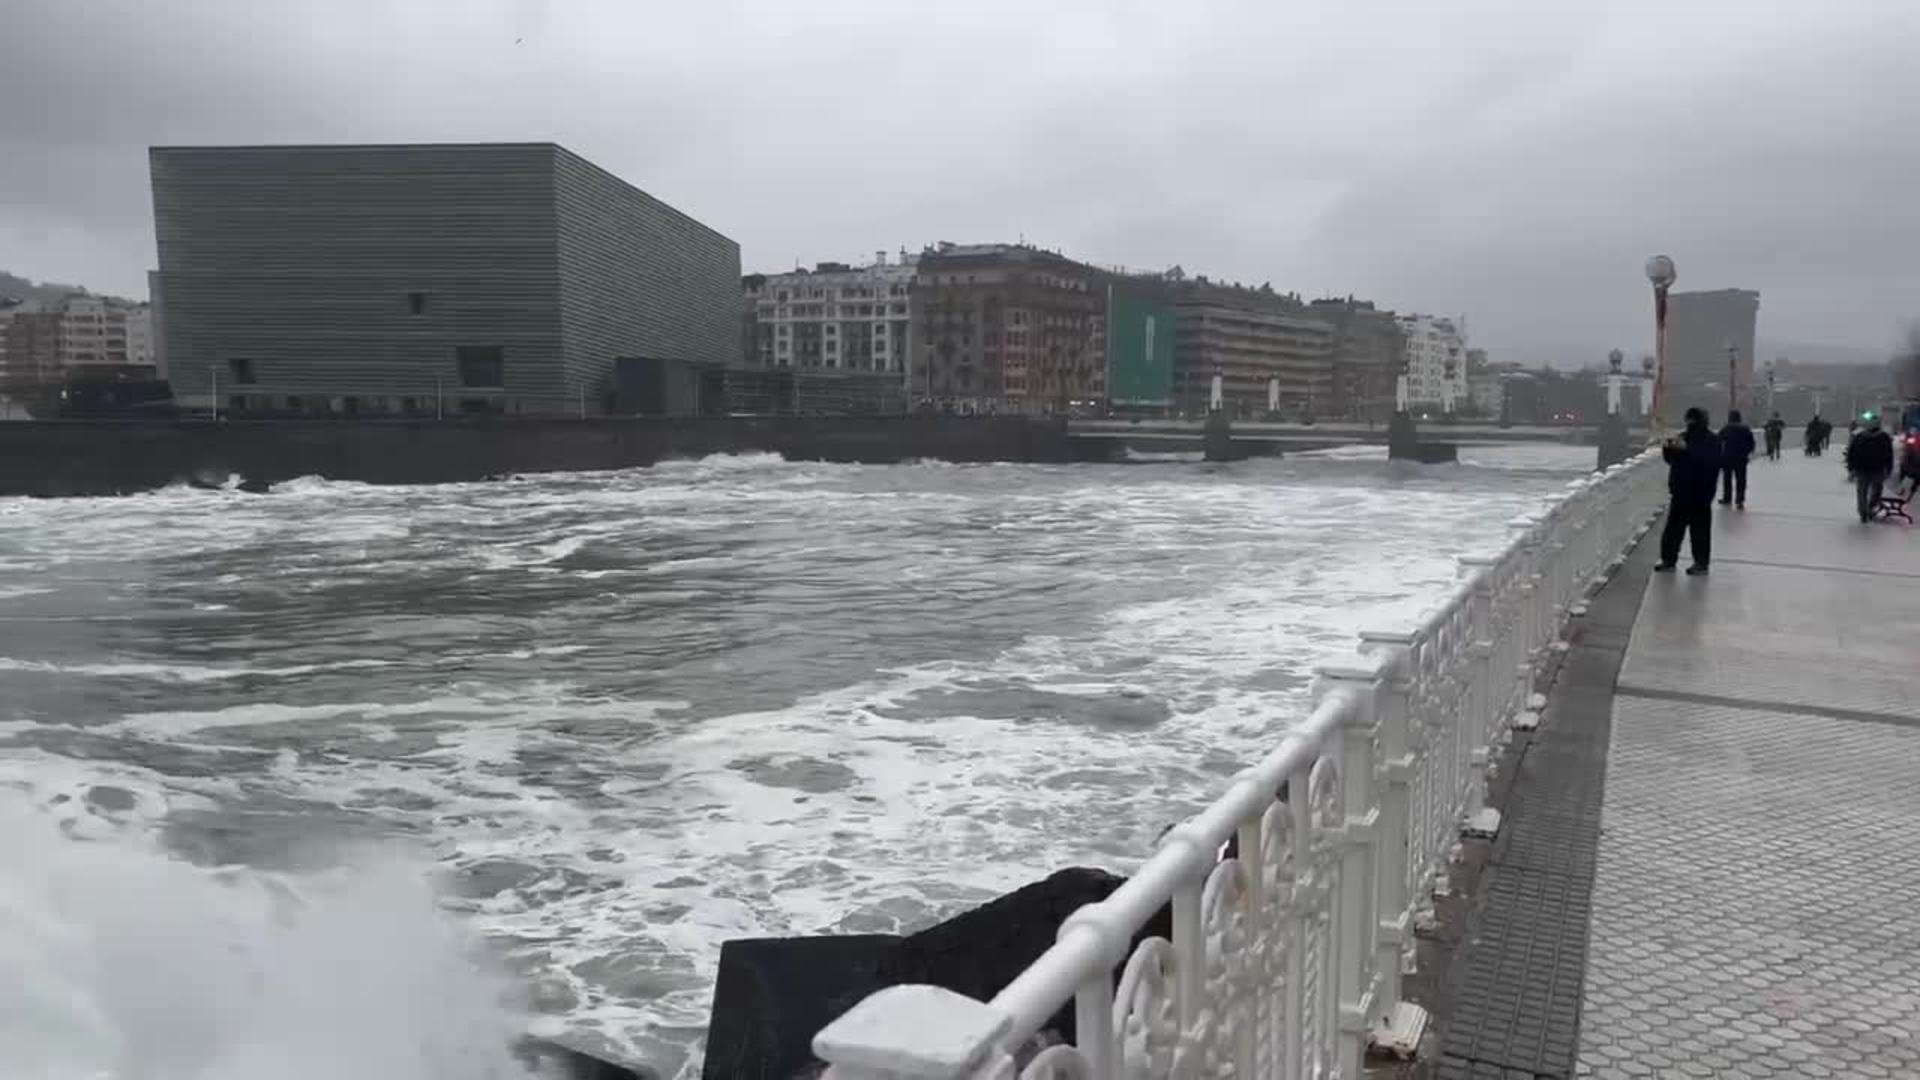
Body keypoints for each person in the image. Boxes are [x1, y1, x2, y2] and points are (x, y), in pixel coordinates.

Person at [1659, 406, 1722, 575]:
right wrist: (1668, 447)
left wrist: (1686, 450)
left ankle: (1701, 563)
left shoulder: (1712, 440)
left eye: (1694, 419)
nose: (1690, 422)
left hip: (1700, 493)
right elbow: (1670, 459)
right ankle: (1668, 560)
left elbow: (1710, 462)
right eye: (1689, 419)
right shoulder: (1682, 437)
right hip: (1680, 490)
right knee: (1673, 530)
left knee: (1699, 531)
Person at [1843, 412, 1895, 522]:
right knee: (1871, 491)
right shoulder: (1880, 437)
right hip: (1873, 469)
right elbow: (1889, 454)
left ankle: (1866, 510)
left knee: (1865, 491)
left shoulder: (1863, 436)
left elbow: (1852, 453)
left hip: (1868, 469)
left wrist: (1851, 467)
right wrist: (1889, 467)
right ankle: (1867, 510)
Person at [1718, 409, 1755, 508]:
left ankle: (1727, 498)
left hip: (1727, 458)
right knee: (1741, 479)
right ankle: (1739, 500)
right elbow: (1751, 443)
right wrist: (1746, 452)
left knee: (1727, 479)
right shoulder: (1745, 429)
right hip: (1741, 458)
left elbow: (1718, 440)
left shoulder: (1726, 428)